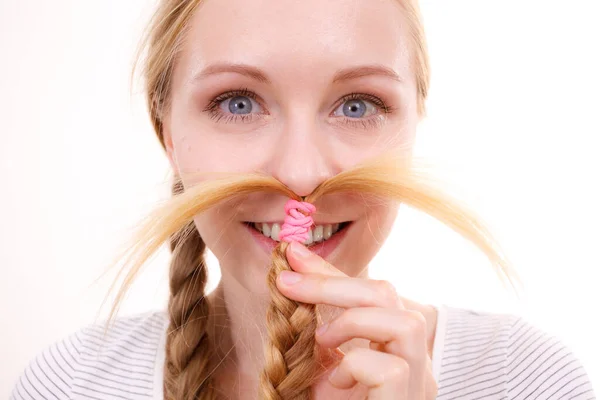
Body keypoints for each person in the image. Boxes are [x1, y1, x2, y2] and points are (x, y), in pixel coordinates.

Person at [10, 0, 597, 399]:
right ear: (168, 136)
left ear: (414, 126)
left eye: (358, 105)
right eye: (238, 102)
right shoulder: (72, 383)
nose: (300, 173)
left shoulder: (525, 378)